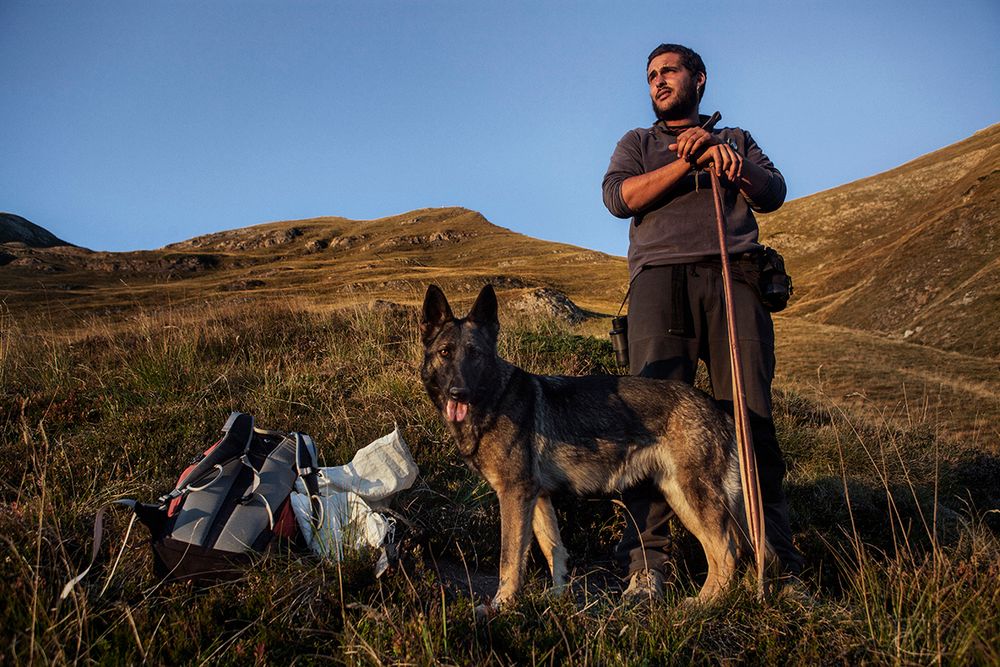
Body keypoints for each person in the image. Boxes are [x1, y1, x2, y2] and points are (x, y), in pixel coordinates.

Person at [602, 43, 804, 598]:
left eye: (669, 71)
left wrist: (717, 151)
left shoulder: (735, 139)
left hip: (733, 274)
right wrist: (686, 161)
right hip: (657, 281)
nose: (658, 82)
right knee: (647, 422)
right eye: (650, 76)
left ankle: (775, 564)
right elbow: (619, 198)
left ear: (699, 79)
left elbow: (775, 192)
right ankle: (647, 566)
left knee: (748, 415)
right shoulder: (638, 143)